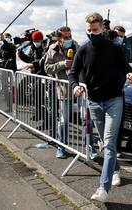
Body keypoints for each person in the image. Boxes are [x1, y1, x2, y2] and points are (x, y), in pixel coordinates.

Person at [68, 12, 132, 202]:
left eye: (95, 30)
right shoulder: (82, 50)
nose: (92, 33)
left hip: (115, 100)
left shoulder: (114, 49)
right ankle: (115, 169)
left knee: (108, 142)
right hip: (94, 102)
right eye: (89, 30)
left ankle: (103, 188)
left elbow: (126, 67)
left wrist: (130, 74)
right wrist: (75, 87)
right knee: (106, 144)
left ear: (102, 29)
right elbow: (73, 74)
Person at [45, 26, 78, 159]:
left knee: (85, 119)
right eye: (65, 37)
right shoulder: (52, 49)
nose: (69, 39)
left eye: (70, 36)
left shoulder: (77, 46)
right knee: (64, 121)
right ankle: (61, 147)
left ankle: (90, 149)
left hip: (80, 88)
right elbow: (47, 68)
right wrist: (62, 64)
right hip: (64, 90)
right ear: (59, 39)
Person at [112, 25, 130, 158]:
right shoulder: (105, 47)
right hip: (105, 90)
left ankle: (117, 148)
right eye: (117, 35)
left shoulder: (123, 49)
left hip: (119, 89)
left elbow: (125, 63)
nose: (119, 38)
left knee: (118, 121)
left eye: (122, 37)